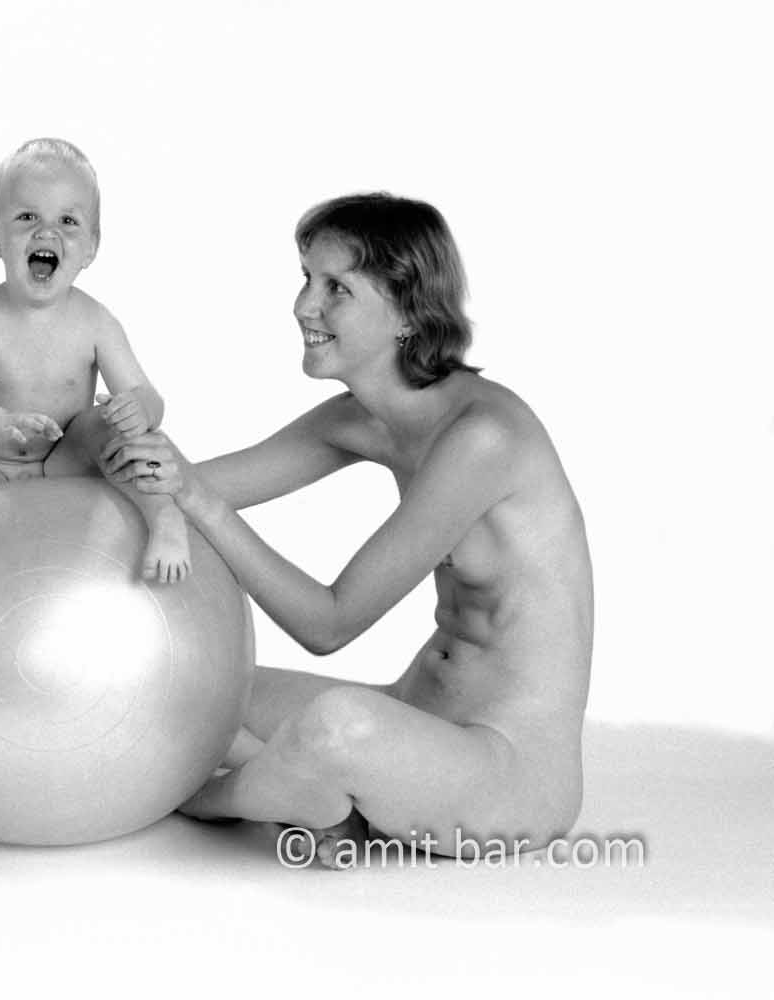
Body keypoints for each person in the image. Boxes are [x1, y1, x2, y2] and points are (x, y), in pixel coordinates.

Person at [104, 193, 593, 867]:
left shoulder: (483, 439)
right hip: (416, 720)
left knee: (336, 724)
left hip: (509, 778)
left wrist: (200, 504)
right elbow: (183, 485)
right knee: (187, 683)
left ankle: (220, 798)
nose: (305, 305)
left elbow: (330, 623)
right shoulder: (359, 420)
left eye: (337, 288)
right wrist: (84, 452)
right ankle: (317, 796)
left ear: (408, 313)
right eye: (307, 278)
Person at [0, 138, 191, 583]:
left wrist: (139, 407)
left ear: (91, 247)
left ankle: (163, 516)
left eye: (68, 220)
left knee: (106, 426)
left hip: (70, 464)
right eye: (27, 217)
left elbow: (148, 396)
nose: (47, 233)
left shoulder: (97, 322)